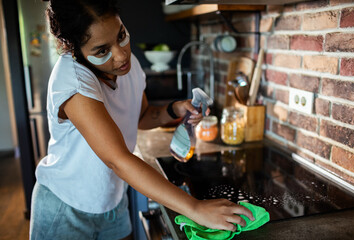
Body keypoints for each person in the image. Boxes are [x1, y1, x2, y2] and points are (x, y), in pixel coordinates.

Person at [29, 0, 254, 239]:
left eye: (121, 35)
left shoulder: (127, 65)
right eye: (102, 51)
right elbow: (118, 160)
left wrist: (174, 109)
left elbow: (142, 117)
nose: (121, 53)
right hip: (66, 207)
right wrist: (195, 208)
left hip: (112, 202)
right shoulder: (73, 81)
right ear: (75, 50)